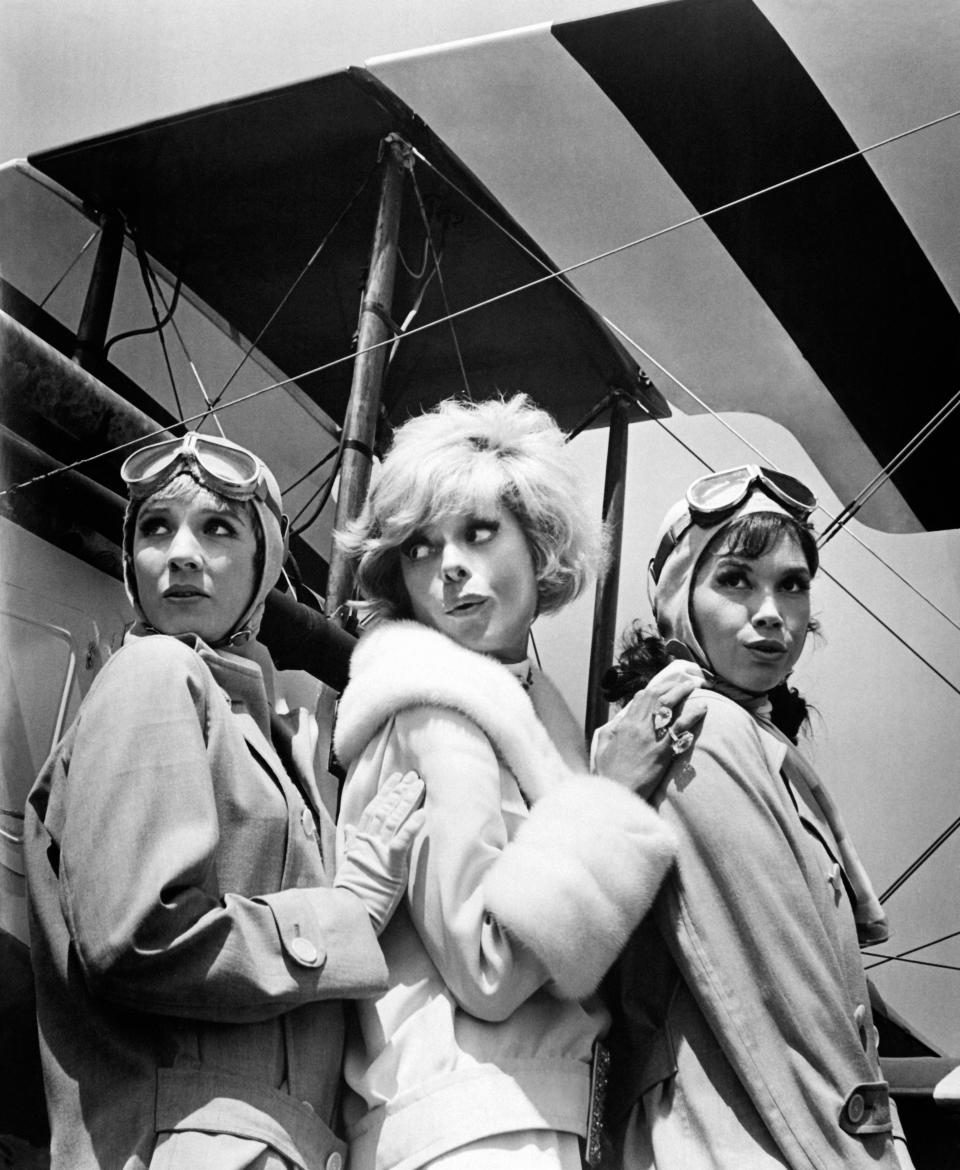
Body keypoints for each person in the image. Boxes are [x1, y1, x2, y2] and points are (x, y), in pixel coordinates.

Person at [23, 431, 425, 1170]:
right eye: (155, 527)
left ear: (262, 562)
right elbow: (135, 935)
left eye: (217, 528)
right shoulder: (153, 671)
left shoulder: (269, 736)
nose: (180, 553)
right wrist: (346, 915)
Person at [331, 395, 679, 1170]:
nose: (449, 565)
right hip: (470, 1127)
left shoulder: (524, 708)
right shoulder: (438, 712)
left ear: (539, 542)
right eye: (419, 548)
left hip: (518, 1117)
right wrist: (606, 804)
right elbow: (485, 970)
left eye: (478, 532)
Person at [594, 465, 913, 1169]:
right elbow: (780, 985)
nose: (771, 611)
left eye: (792, 585)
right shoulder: (699, 728)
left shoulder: (746, 733)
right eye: (735, 579)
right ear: (681, 594)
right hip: (738, 1138)